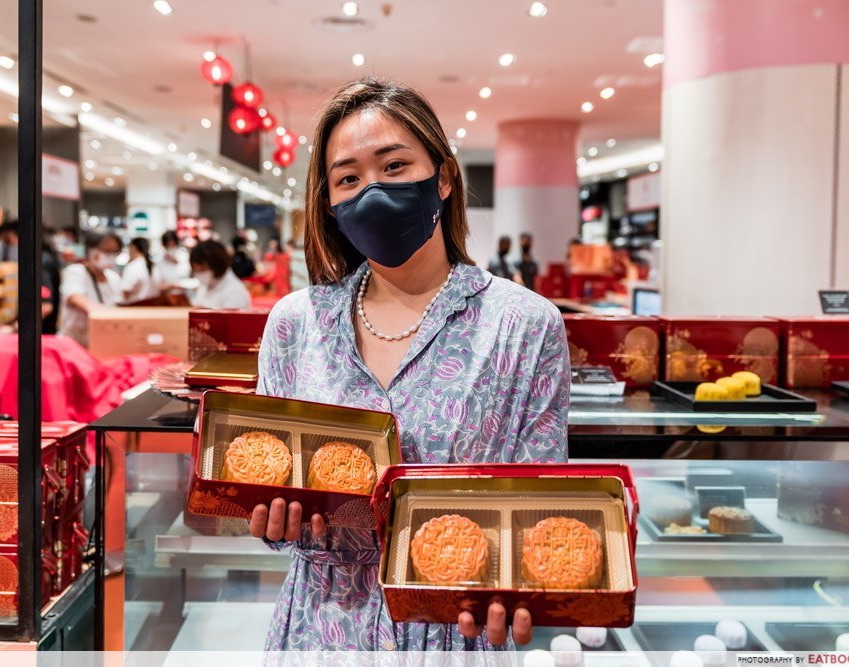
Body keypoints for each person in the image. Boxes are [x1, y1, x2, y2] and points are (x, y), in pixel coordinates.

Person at [249, 79, 569, 651]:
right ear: (330, 202)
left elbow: (541, 505)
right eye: (348, 178)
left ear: (443, 177)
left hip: (454, 637)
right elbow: (270, 491)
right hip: (320, 632)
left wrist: (523, 587)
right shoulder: (295, 325)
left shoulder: (524, 325)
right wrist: (274, 519)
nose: (372, 190)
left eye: (394, 166)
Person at [58, 231, 123, 348]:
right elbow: (75, 297)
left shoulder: (114, 277)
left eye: (115, 252)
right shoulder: (76, 271)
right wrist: (106, 313)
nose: (111, 255)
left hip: (103, 344)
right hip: (74, 345)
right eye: (107, 251)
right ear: (90, 250)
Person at [190, 240, 252, 309]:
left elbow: (230, 318)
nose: (199, 274)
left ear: (217, 265)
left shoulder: (235, 292)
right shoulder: (206, 284)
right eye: (195, 270)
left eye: (203, 269)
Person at [121, 237, 158, 303]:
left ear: (133, 247)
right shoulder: (153, 265)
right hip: (153, 305)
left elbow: (126, 292)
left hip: (135, 307)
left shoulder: (133, 266)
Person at [42, 234, 62, 335]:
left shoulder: (41, 262)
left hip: (42, 333)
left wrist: (15, 327)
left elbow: (45, 306)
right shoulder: (47, 257)